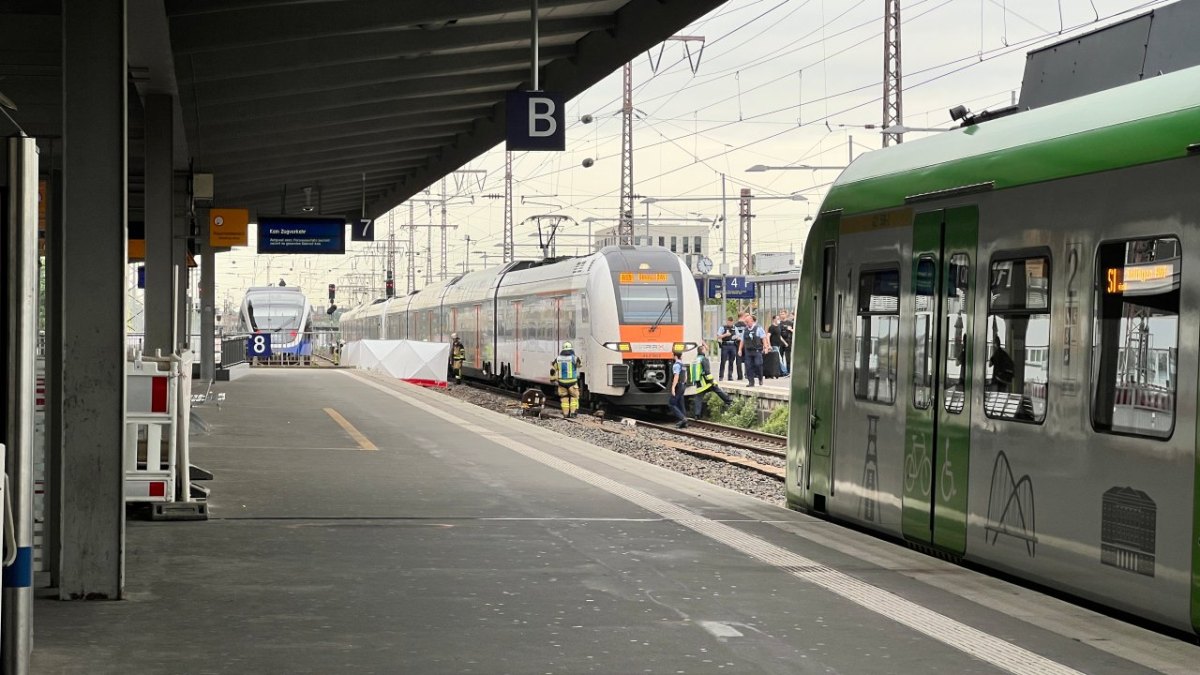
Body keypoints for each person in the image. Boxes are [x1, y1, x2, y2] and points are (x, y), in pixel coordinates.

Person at [689, 342, 733, 418]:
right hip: (705, 382)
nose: (705, 350)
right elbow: (707, 372)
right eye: (704, 349)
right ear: (702, 351)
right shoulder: (704, 359)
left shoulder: (694, 360)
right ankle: (729, 402)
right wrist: (712, 381)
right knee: (717, 389)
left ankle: (697, 414)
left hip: (698, 382)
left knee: (698, 398)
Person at [550, 341, 583, 418]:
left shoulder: (558, 359)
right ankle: (573, 413)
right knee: (574, 398)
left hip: (561, 382)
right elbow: (579, 365)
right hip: (572, 382)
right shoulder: (574, 358)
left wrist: (552, 379)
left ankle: (565, 413)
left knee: (564, 398)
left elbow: (553, 369)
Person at [739, 314, 769, 387]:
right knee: (748, 366)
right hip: (748, 351)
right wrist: (740, 349)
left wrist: (766, 347)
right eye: (745, 322)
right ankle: (751, 382)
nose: (746, 324)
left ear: (752, 321)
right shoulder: (745, 330)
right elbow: (742, 340)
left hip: (757, 350)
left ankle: (760, 378)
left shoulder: (758, 328)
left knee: (758, 364)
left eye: (747, 322)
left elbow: (763, 338)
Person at [667, 346, 689, 428]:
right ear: (681, 356)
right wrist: (684, 384)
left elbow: (676, 376)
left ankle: (683, 418)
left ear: (675, 356)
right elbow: (686, 376)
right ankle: (685, 423)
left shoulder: (676, 365)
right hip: (683, 385)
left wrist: (673, 387)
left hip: (678, 385)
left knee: (671, 403)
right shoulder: (683, 365)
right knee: (681, 403)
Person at [716, 317, 739, 381]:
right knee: (723, 361)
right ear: (727, 321)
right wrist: (725, 335)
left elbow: (738, 335)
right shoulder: (723, 327)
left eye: (731, 322)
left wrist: (736, 337)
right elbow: (718, 336)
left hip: (733, 345)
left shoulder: (735, 328)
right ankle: (721, 376)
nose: (730, 323)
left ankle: (730, 376)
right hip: (725, 345)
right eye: (729, 322)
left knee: (731, 361)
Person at [732, 312, 748, 380]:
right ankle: (747, 374)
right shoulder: (746, 325)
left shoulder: (735, 325)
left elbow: (733, 335)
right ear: (742, 316)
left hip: (738, 344)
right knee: (747, 359)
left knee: (738, 360)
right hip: (746, 343)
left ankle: (740, 376)